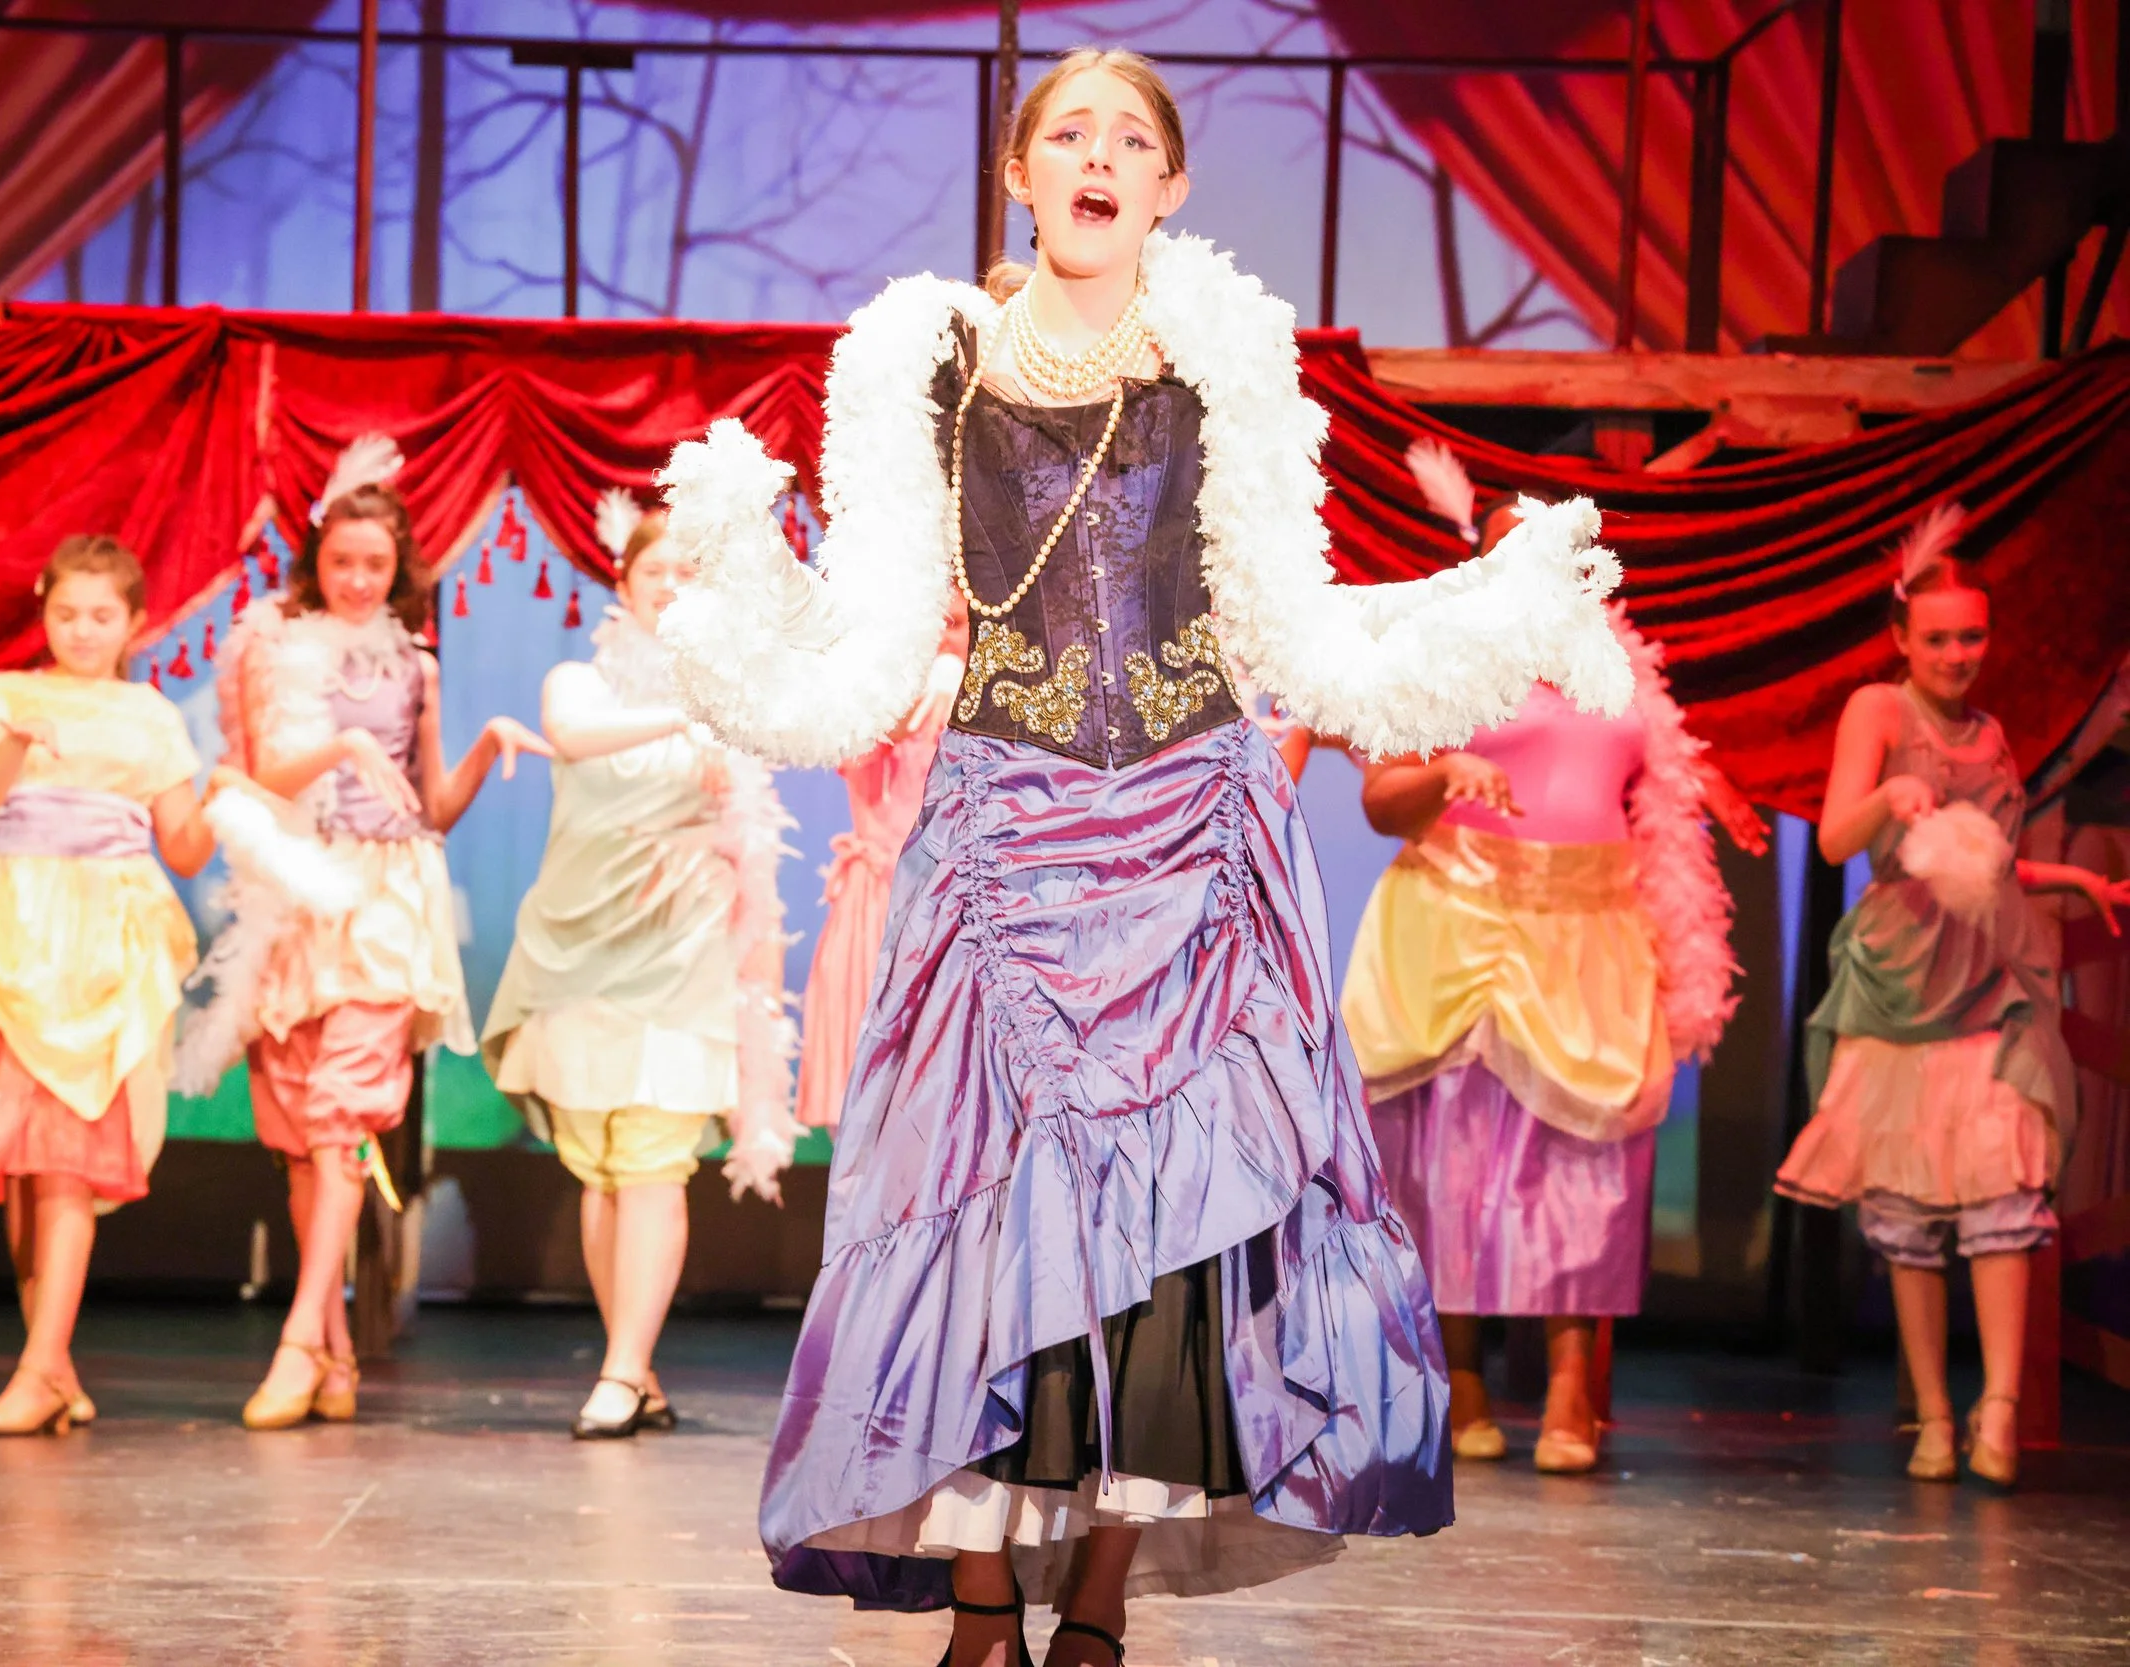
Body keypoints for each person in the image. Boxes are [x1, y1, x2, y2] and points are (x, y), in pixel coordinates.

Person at [653, 49, 1635, 1667]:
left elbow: (1290, 624)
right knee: (988, 1213)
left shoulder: (1223, 356)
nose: (1099, 157)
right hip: (1004, 844)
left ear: (1170, 187)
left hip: (1192, 842)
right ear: (1021, 173)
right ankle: (984, 1594)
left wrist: (1485, 613)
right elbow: (878, 638)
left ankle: (1100, 1593)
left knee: (1172, 1242)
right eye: (1070, 134)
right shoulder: (927, 358)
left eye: (1132, 140)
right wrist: (740, 608)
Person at [1341, 470, 1767, 1475]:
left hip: (1590, 928)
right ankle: (1464, 1379)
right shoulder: (1441, 661)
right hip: (1459, 916)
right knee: (1449, 1162)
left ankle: (1573, 1386)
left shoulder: (1616, 663)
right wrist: (1445, 772)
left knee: (1586, 1168)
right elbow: (1382, 802)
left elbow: (1654, 775)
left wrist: (1709, 792)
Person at [191, 448, 546, 1430]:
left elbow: (429, 806)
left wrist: (487, 742)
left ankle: (298, 1339)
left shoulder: (416, 665)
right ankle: (337, 1349)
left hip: (386, 897)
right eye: (341, 561)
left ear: (399, 569)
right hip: (295, 889)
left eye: (374, 565)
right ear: (316, 560)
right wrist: (340, 745)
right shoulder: (269, 646)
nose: (356, 579)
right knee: (304, 1140)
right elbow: (249, 778)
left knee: (342, 1120)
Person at [1775, 505, 2129, 1487]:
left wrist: (2075, 880)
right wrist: (1886, 796)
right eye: (1937, 638)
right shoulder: (1878, 711)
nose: (1957, 655)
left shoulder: (1993, 733)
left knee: (2002, 1190)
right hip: (1899, 984)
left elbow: (1990, 863)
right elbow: (1836, 839)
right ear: (1901, 638)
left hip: (1985, 978)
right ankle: (1934, 1414)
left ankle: (1999, 1407)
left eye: (1971, 636)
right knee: (1907, 1209)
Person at [481, 501, 797, 1442]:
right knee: (604, 1170)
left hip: (681, 954)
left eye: (690, 573)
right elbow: (574, 734)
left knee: (656, 1159)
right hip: (580, 952)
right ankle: (638, 1365)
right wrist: (695, 710)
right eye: (657, 570)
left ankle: (619, 1371)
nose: (672, 586)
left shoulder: (734, 703)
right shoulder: (579, 680)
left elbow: (754, 850)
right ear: (624, 581)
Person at [0, 535, 219, 1436]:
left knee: (65, 1157)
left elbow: (184, 845)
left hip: (105, 939)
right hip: (18, 928)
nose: (82, 631)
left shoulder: (150, 714)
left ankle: (39, 1369)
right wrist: (13, 738)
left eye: (101, 616)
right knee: (18, 1162)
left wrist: (228, 804)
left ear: (134, 622)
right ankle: (49, 1363)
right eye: (65, 613)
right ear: (43, 610)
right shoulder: (9, 695)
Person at [795, 606, 966, 1131]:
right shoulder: (869, 684)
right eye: (934, 620)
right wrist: (935, 676)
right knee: (863, 1115)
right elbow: (858, 736)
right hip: (881, 909)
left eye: (955, 624)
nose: (943, 637)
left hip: (965, 914)